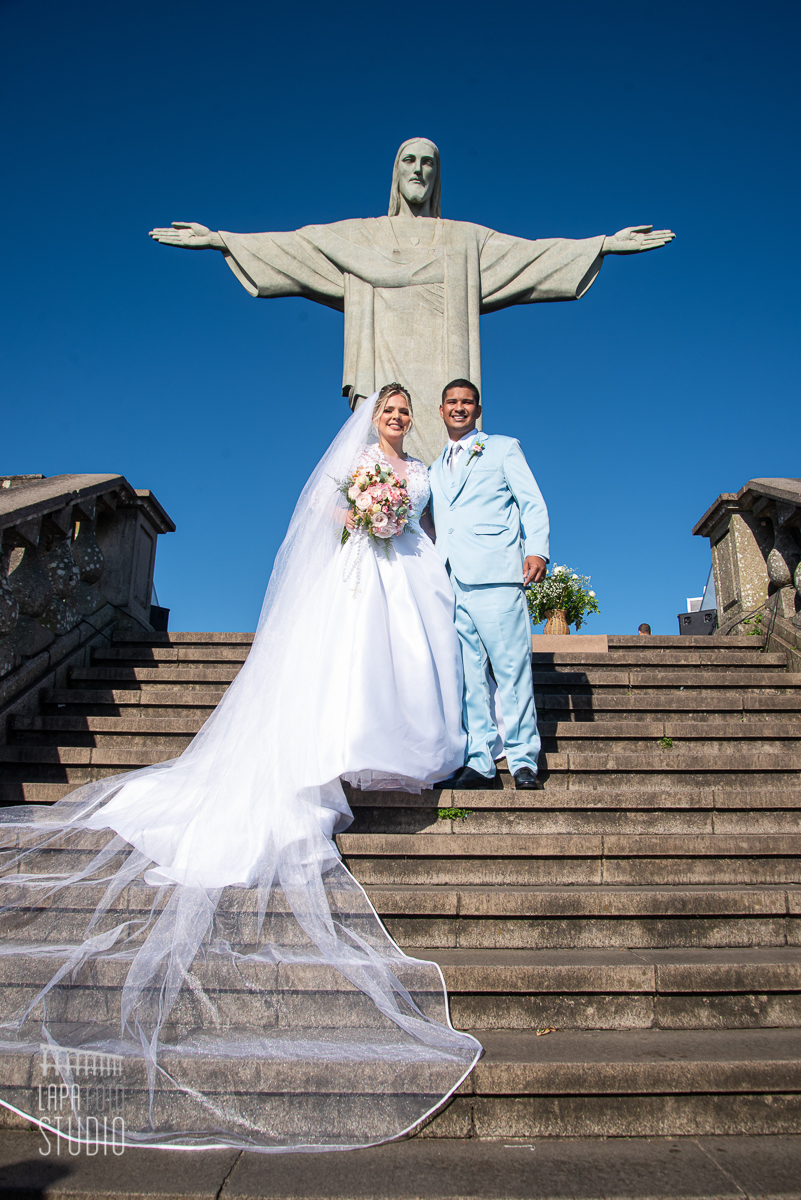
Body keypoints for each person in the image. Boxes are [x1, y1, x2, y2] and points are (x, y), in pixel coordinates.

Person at [0, 388, 480, 1153]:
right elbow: (330, 522)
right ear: (371, 417)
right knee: (356, 662)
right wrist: (369, 515)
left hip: (411, 568)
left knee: (412, 657)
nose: (394, 420)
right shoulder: (355, 465)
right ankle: (344, 747)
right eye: (387, 412)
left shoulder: (418, 467)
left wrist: (406, 524)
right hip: (365, 565)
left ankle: (400, 754)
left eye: (401, 413)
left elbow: (422, 521)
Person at [429, 380, 548, 790]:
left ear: (478, 410)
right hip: (450, 580)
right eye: (451, 403)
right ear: (441, 410)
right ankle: (480, 758)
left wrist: (538, 551)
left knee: (511, 669)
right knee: (468, 675)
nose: (459, 408)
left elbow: (531, 501)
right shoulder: (434, 466)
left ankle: (522, 760)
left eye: (466, 402)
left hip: (497, 572)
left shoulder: (502, 447)